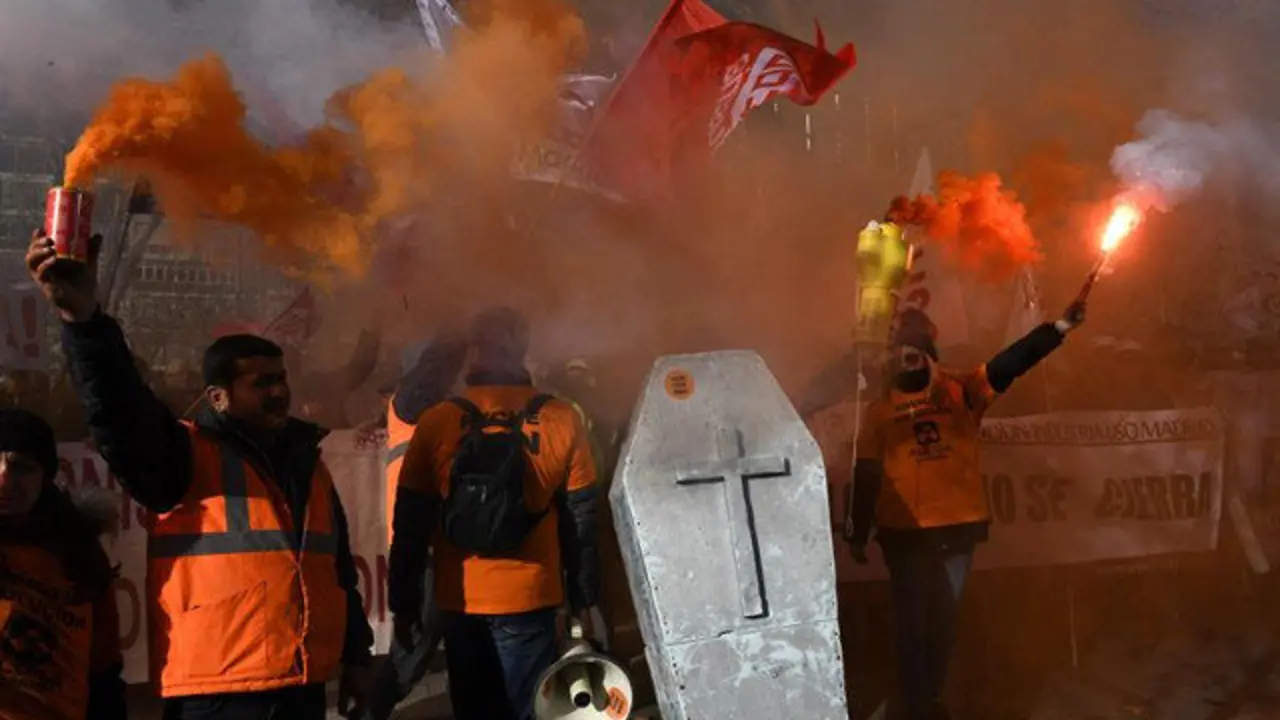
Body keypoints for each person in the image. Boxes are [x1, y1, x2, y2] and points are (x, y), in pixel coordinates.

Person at [25, 230, 374, 720]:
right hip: (217, 693)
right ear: (218, 397)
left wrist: (357, 659)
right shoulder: (184, 455)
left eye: (281, 380)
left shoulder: (306, 462)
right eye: (261, 384)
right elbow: (120, 411)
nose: (278, 393)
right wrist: (83, 322)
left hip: (302, 686)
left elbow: (337, 573)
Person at [845, 302, 1086, 720]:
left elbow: (1014, 361)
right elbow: (866, 473)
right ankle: (914, 706)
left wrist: (1058, 328)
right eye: (899, 352)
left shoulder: (962, 390)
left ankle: (928, 699)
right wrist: (858, 528)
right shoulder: (879, 410)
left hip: (957, 530)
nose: (906, 359)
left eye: (914, 351)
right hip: (905, 536)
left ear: (928, 355)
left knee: (943, 621)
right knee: (911, 625)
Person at [389, 307, 601, 720]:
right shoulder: (561, 419)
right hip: (531, 597)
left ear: (474, 351)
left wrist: (405, 603)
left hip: (460, 597)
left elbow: (410, 523)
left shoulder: (439, 421)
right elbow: (582, 523)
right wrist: (584, 602)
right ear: (522, 349)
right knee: (529, 710)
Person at [363, 329, 467, 720]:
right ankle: (374, 709)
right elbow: (432, 371)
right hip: (421, 546)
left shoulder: (441, 413)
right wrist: (461, 328)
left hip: (441, 544)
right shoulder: (411, 404)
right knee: (417, 645)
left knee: (451, 641)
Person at [0, 407, 127, 720]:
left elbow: (103, 664)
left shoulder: (77, 550)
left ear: (46, 477)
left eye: (21, 467)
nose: (4, 480)